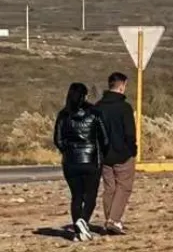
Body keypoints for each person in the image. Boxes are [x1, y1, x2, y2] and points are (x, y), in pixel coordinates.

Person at [53, 82, 108, 242]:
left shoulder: (63, 115)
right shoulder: (95, 113)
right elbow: (104, 139)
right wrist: (100, 153)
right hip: (91, 160)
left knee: (76, 196)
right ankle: (83, 221)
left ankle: (79, 231)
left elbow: (58, 140)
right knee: (90, 196)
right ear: (85, 96)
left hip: (71, 162)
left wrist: (68, 151)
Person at [94, 72, 136, 235]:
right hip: (122, 154)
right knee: (124, 186)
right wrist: (132, 150)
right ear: (122, 86)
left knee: (109, 187)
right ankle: (114, 219)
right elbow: (130, 133)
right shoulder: (124, 108)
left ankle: (110, 220)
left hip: (103, 154)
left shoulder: (98, 107)